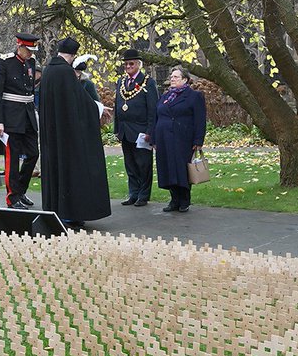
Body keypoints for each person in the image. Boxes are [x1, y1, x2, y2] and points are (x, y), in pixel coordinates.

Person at [38, 37, 111, 227]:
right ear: (72, 56)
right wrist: (100, 109)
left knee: (57, 170)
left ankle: (57, 210)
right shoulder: (65, 72)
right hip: (68, 136)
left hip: (54, 134)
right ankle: (70, 212)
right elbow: (80, 102)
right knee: (72, 169)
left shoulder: (48, 71)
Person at [0, 33, 39, 209]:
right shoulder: (5, 62)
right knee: (12, 160)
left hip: (27, 115)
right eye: (28, 49)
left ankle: (21, 191)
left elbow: (30, 92)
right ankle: (12, 197)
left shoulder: (31, 63)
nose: (30, 53)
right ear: (19, 45)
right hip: (10, 117)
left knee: (33, 153)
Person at [154, 68, 207, 213]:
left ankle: (184, 200)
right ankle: (174, 199)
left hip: (183, 138)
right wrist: (154, 138)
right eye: (171, 77)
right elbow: (156, 116)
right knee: (168, 168)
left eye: (176, 77)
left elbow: (200, 119)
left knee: (181, 169)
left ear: (185, 79)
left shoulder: (194, 96)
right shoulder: (165, 96)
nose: (172, 79)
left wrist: (198, 140)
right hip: (164, 138)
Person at [114, 49, 158, 207]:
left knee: (143, 164)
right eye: (126, 64)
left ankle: (143, 195)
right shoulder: (121, 82)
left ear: (139, 64)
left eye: (131, 63)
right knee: (130, 164)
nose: (128, 66)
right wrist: (117, 129)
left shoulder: (148, 82)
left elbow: (153, 110)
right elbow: (117, 105)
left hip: (141, 132)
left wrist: (150, 132)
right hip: (125, 131)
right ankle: (133, 193)